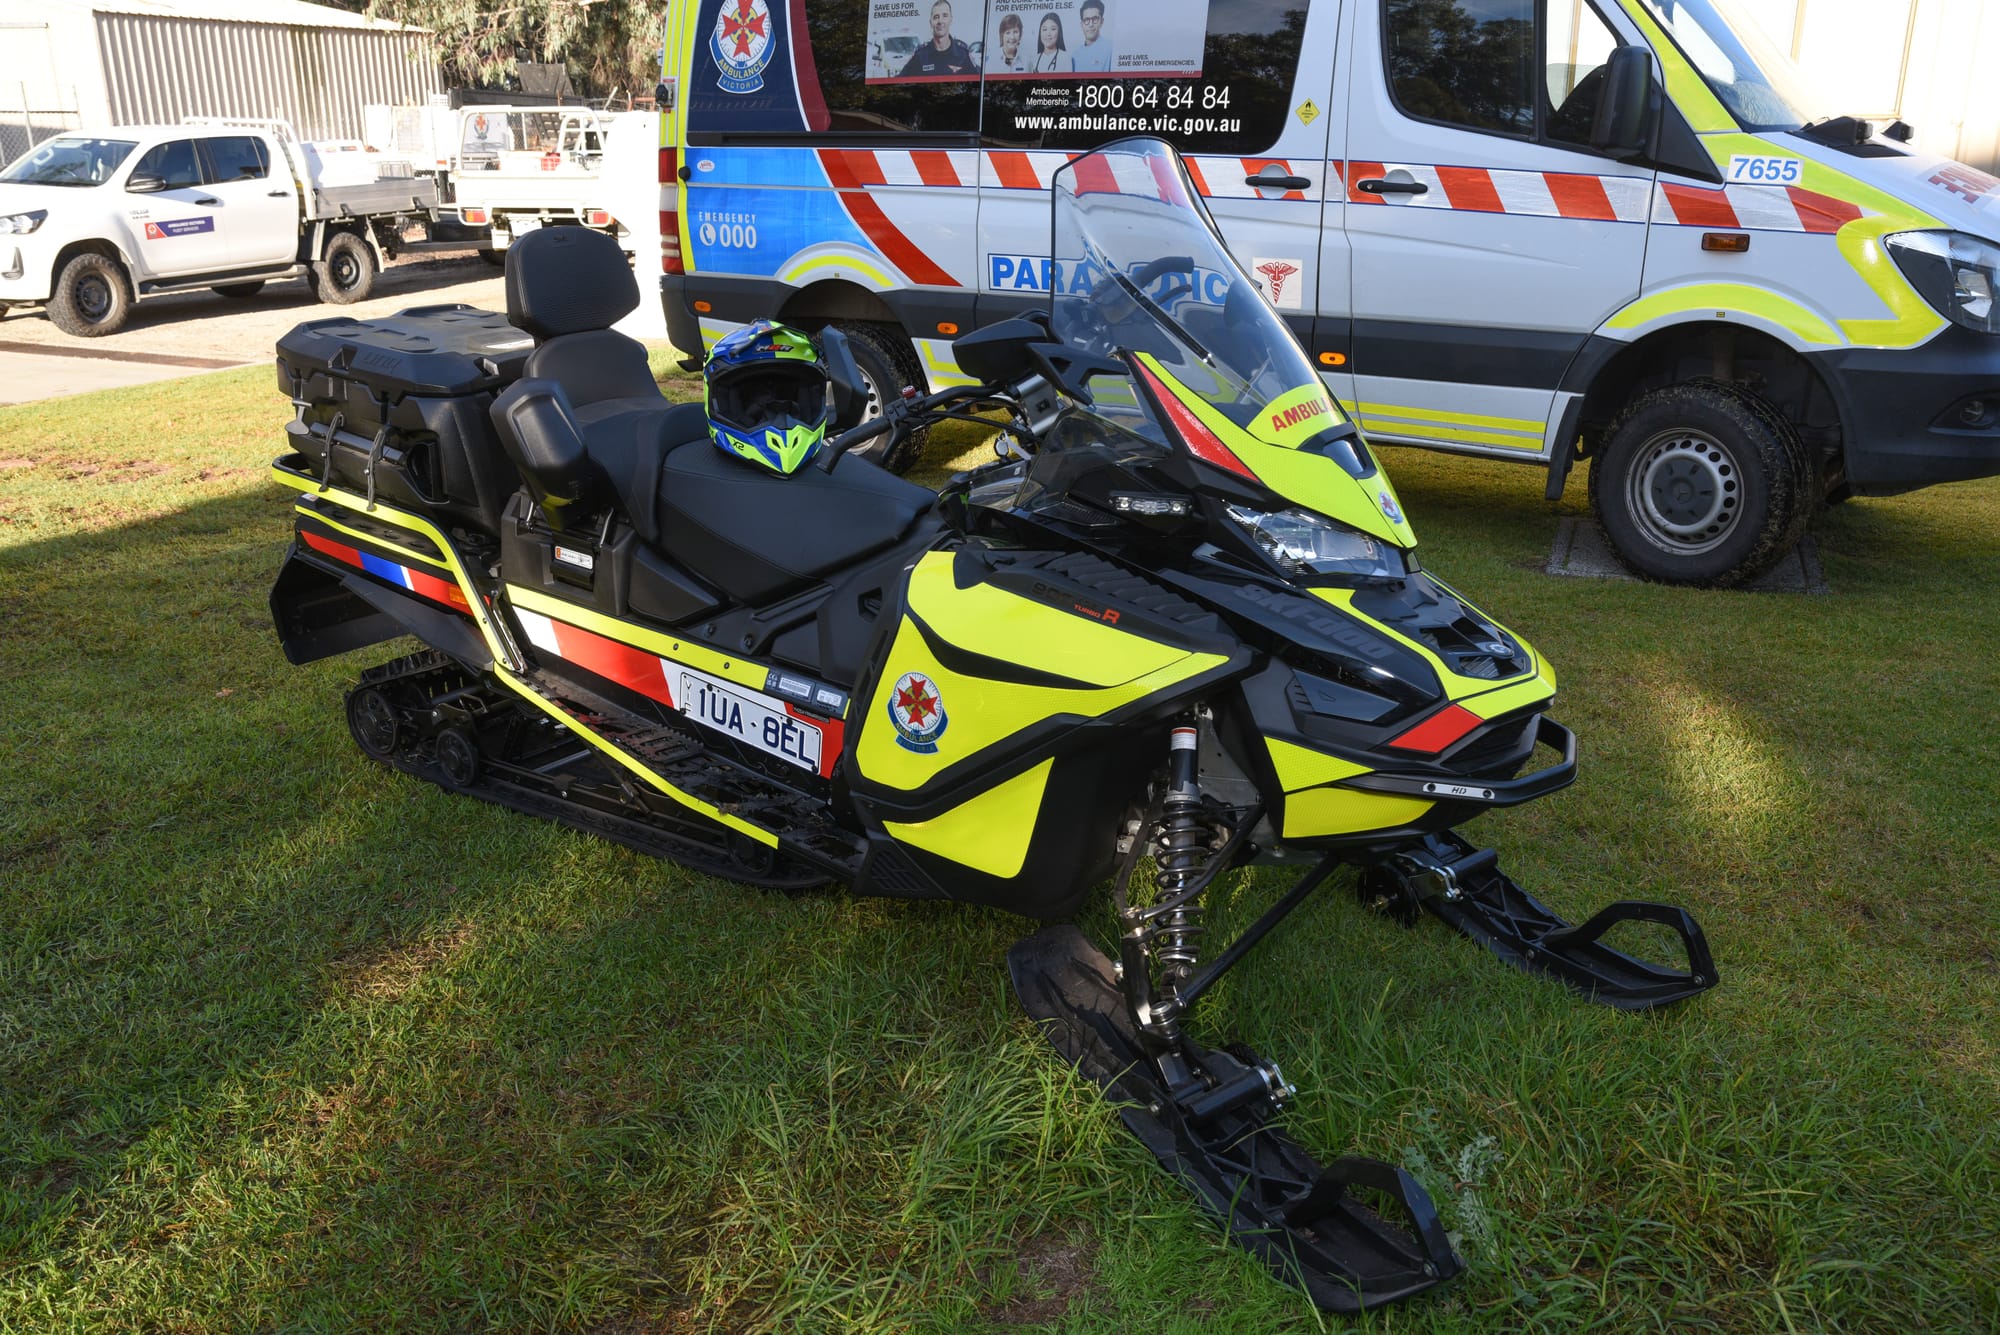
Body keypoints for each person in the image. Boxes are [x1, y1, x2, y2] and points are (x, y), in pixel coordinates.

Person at [900, 0, 976, 76]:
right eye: (936, 17)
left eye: (945, 16)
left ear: (951, 19)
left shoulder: (963, 55)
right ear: (930, 22)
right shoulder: (920, 56)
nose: (940, 21)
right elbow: (899, 81)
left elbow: (979, 82)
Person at [1071, 0, 1113, 72]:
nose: (1091, 24)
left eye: (1095, 19)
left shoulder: (1111, 49)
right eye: (1086, 20)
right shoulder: (1075, 55)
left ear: (1101, 21)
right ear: (1081, 24)